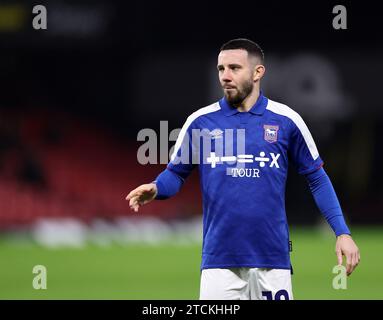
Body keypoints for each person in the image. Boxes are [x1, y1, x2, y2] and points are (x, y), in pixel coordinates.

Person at [126, 38, 360, 300]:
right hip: (219, 262)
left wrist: (342, 232)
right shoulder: (201, 121)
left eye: (234, 68)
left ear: (258, 72)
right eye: (221, 69)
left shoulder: (287, 120)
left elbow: (316, 178)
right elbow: (176, 173)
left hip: (272, 261)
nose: (225, 76)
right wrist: (157, 187)